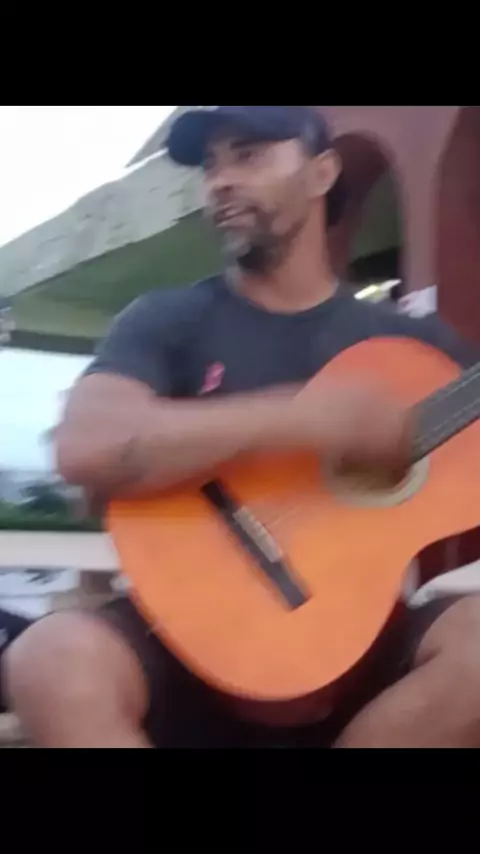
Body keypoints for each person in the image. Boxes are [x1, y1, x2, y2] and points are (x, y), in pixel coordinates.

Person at [5, 105, 480, 748]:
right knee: (49, 658)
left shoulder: (415, 348)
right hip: (183, 637)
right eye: (211, 164)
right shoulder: (169, 320)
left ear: (322, 172)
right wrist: (302, 417)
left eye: (249, 156)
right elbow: (85, 446)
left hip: (363, 638)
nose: (221, 180)